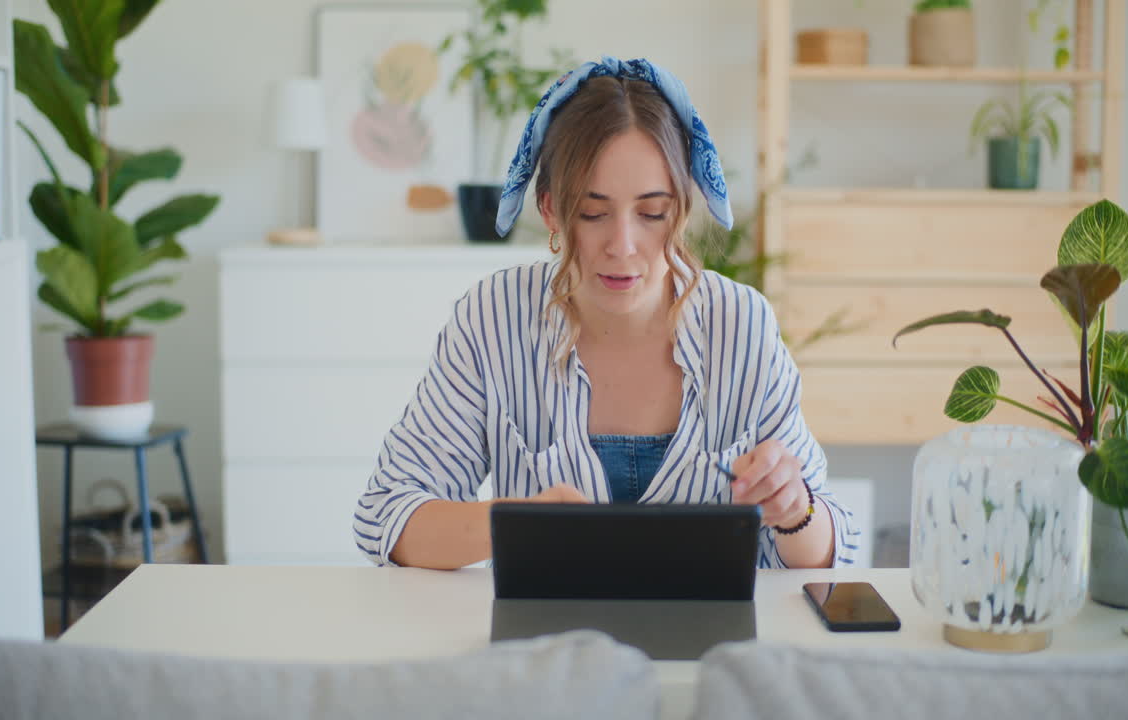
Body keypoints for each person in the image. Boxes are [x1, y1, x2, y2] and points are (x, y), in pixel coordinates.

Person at [353, 56, 858, 570]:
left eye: (651, 213)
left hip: (711, 646)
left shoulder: (741, 322)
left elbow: (831, 549)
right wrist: (518, 521)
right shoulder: (494, 316)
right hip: (545, 643)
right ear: (550, 209)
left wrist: (796, 509)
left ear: (682, 209)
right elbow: (387, 516)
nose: (623, 244)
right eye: (592, 213)